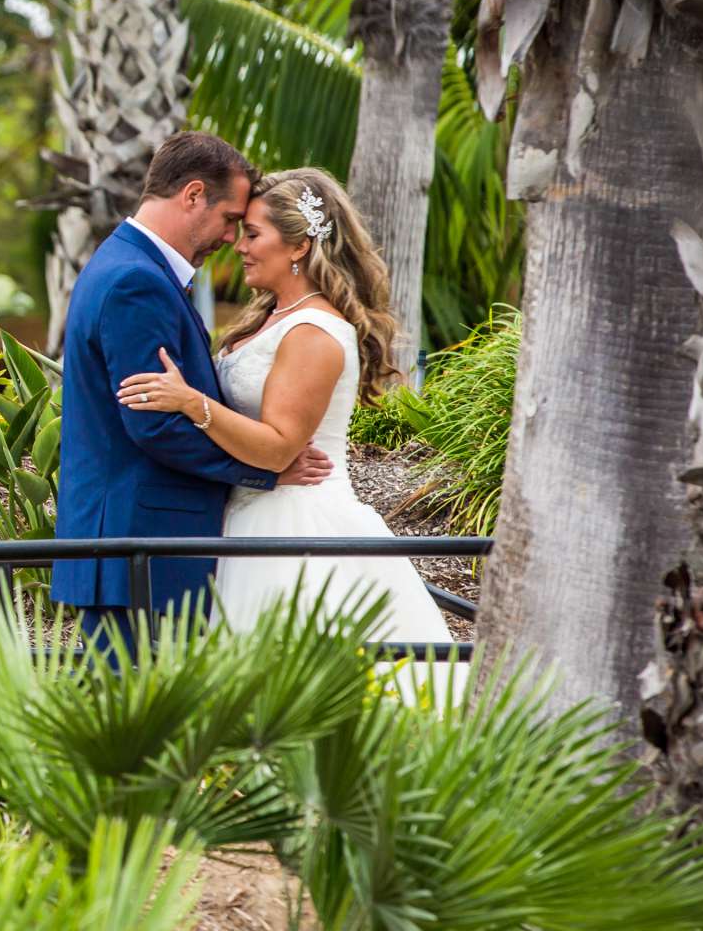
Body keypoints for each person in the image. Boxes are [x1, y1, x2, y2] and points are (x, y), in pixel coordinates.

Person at [115, 166, 452, 649]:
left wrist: (192, 403)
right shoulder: (271, 318)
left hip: (296, 520)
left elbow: (277, 449)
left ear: (298, 246)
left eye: (253, 234)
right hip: (246, 514)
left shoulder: (313, 331)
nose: (239, 245)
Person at [52, 133, 333, 656]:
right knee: (128, 716)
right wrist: (265, 471)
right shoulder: (137, 281)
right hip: (142, 545)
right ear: (193, 195)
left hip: (134, 544)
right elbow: (154, 425)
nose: (232, 239)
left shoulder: (128, 264)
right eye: (230, 220)